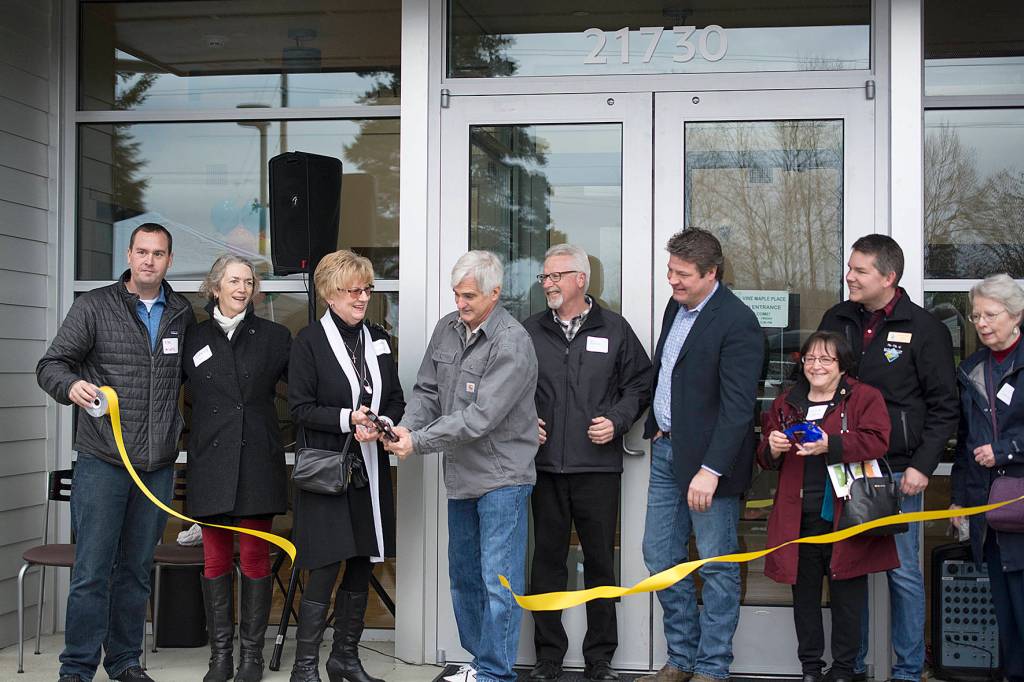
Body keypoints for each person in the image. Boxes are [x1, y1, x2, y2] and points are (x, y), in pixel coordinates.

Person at [36, 223, 196, 682]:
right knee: (91, 571)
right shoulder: (93, 306)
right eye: (142, 251)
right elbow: (50, 365)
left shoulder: (182, 313)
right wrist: (72, 386)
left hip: (157, 465)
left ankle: (125, 661)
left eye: (159, 253)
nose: (149, 260)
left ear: (169, 260)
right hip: (103, 462)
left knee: (136, 571)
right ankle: (77, 669)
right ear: (128, 255)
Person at [385, 250, 538, 682]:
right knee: (465, 577)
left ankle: (496, 673)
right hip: (461, 476)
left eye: (469, 295)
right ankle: (481, 661)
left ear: (495, 293)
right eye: (456, 293)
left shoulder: (512, 342)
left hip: (503, 479)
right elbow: (428, 391)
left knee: (498, 580)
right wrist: (403, 428)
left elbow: (480, 417)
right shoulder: (447, 329)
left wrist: (419, 441)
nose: (461, 303)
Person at [817, 234, 958, 682]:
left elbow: (944, 406)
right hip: (843, 464)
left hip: (897, 469)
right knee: (848, 570)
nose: (850, 276)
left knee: (902, 573)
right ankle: (851, 666)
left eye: (860, 270)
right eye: (850, 267)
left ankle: (908, 671)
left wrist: (922, 465)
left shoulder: (924, 328)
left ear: (888, 276)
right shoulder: (836, 318)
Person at [523, 244, 652, 681]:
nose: (548, 284)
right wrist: (524, 423)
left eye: (557, 276)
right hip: (542, 468)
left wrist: (617, 421)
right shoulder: (529, 331)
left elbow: (640, 384)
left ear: (582, 279)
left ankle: (600, 658)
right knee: (546, 562)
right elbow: (507, 388)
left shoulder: (615, 330)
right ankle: (547, 658)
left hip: (596, 467)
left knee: (599, 561)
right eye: (545, 277)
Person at [640, 228, 764, 682]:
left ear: (711, 273)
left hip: (711, 466)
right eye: (670, 270)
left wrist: (710, 470)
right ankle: (681, 659)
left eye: (683, 274)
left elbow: (737, 408)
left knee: (716, 564)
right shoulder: (678, 307)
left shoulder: (738, 322)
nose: (672, 280)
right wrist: (657, 426)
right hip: (667, 451)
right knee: (658, 556)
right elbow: (668, 372)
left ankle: (712, 669)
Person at [287, 250, 404, 682]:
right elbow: (299, 408)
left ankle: (344, 660)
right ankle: (305, 668)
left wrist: (382, 424)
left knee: (361, 562)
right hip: (329, 474)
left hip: (370, 470)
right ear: (329, 293)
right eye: (353, 290)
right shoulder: (308, 342)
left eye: (367, 289)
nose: (362, 297)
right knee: (324, 566)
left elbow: (394, 398)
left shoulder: (377, 336)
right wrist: (347, 418)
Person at [757, 331, 899, 682]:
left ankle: (843, 669)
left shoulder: (864, 397)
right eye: (810, 359)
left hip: (845, 514)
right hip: (797, 516)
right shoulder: (786, 401)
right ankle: (810, 668)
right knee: (803, 596)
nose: (816, 366)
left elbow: (878, 441)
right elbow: (764, 457)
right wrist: (772, 447)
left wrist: (830, 446)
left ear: (842, 365)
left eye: (826, 360)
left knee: (847, 598)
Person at [182, 255, 291, 682]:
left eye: (248, 281)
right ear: (215, 287)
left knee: (255, 558)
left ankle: (250, 657)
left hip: (257, 460)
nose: (242, 288)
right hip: (211, 460)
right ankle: (220, 657)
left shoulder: (276, 336)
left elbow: (305, 388)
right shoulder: (193, 338)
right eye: (233, 280)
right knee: (214, 558)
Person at [950, 274, 1024, 682]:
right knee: (1005, 614)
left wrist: (1006, 449)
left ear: (1017, 315)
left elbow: (999, 442)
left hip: (1021, 502)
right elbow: (965, 442)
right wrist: (959, 499)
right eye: (976, 315)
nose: (981, 322)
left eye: (991, 314)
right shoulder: (971, 368)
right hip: (988, 510)